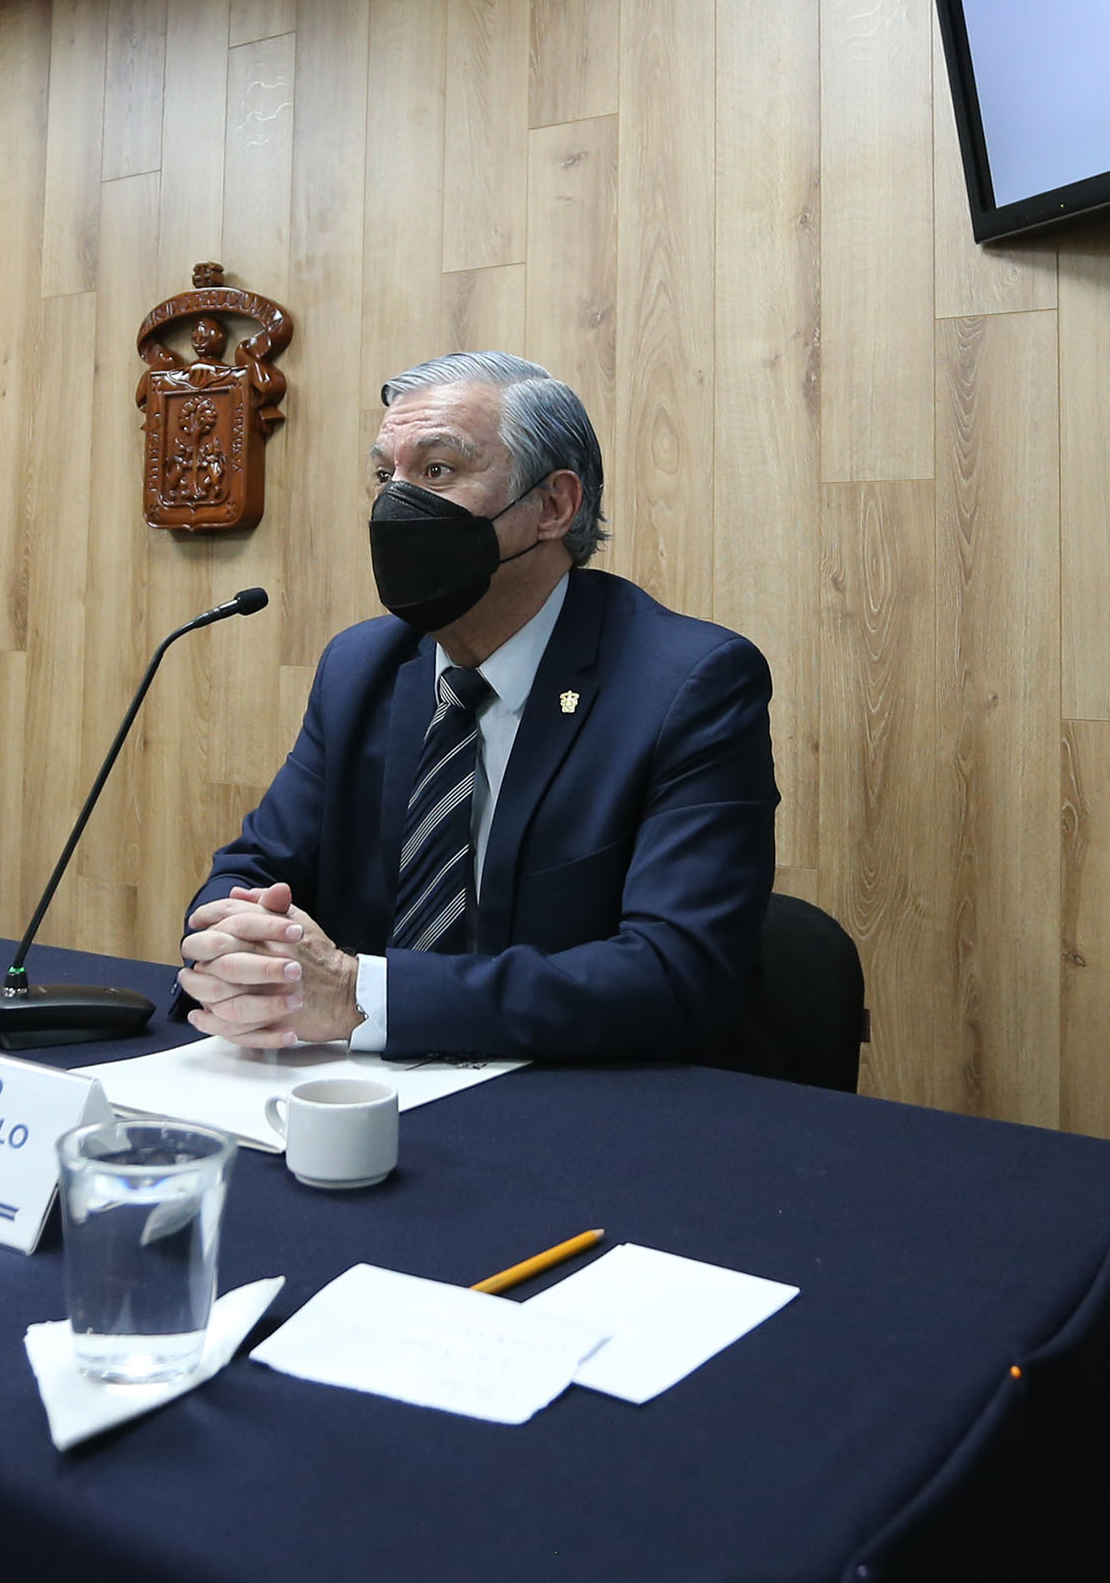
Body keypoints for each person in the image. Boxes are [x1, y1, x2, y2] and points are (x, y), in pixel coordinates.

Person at [177, 353, 779, 1063]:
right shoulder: (362, 666)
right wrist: (240, 943)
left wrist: (359, 995)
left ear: (553, 506)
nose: (395, 507)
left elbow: (676, 973)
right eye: (386, 476)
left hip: (582, 1095)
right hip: (359, 1090)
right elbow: (253, 866)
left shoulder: (688, 684)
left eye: (437, 471)